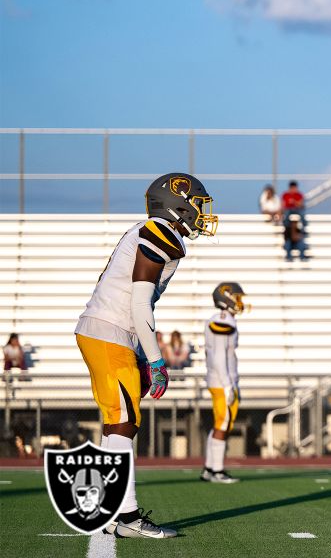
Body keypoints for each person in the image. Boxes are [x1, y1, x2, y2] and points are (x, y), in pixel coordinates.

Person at [74, 172, 216, 538]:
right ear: (177, 203)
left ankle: (111, 513)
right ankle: (127, 517)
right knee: (125, 422)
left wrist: (139, 349)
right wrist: (154, 358)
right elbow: (140, 303)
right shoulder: (160, 233)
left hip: (108, 331)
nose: (201, 214)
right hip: (111, 331)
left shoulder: (150, 230)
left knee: (117, 424)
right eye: (197, 205)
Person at [202, 282, 244, 484]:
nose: (240, 301)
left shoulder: (222, 319)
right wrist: (228, 384)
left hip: (219, 380)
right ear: (225, 298)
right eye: (236, 297)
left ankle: (209, 468)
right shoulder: (223, 319)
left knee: (221, 422)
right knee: (223, 422)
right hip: (221, 381)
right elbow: (219, 356)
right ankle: (217, 471)